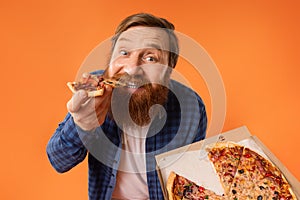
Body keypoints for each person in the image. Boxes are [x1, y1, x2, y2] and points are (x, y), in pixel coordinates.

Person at [47, 13, 207, 200]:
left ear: (168, 69)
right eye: (124, 53)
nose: (132, 68)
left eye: (150, 58)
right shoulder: (95, 92)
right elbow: (59, 161)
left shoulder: (192, 107)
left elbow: (189, 180)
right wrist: (81, 125)